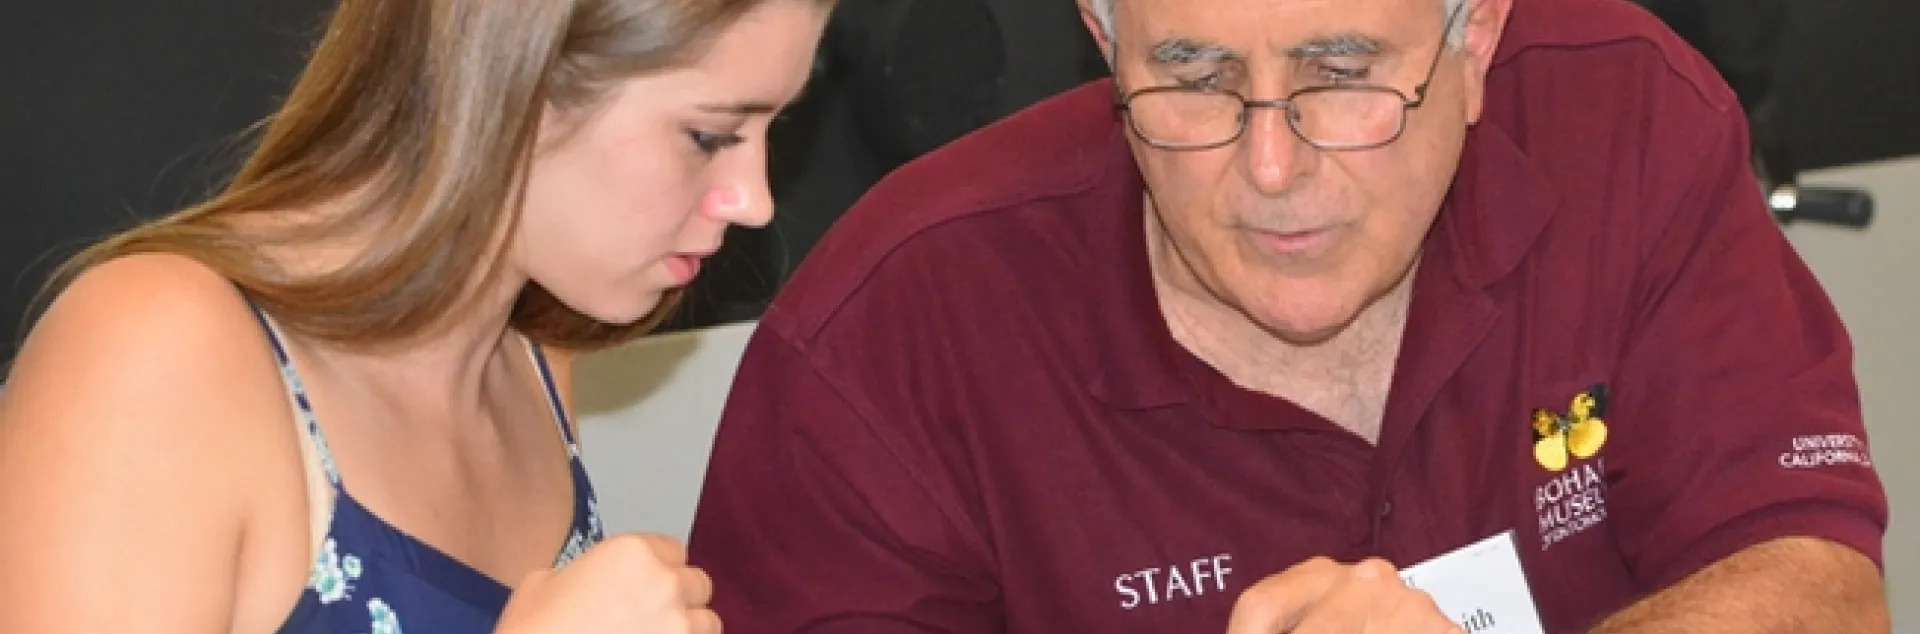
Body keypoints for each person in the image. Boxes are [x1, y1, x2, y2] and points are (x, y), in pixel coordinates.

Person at [684, 0, 1892, 630]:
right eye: (1197, 80)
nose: (1270, 166)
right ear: (1104, 41)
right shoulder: (891, 334)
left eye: (1342, 73)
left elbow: (1817, 585)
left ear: (1477, 40)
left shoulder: (1625, 121)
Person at [0, 0, 828, 631]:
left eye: (771, 129)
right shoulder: (158, 354)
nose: (752, 201)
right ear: (522, 84)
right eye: (710, 134)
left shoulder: (528, 361)